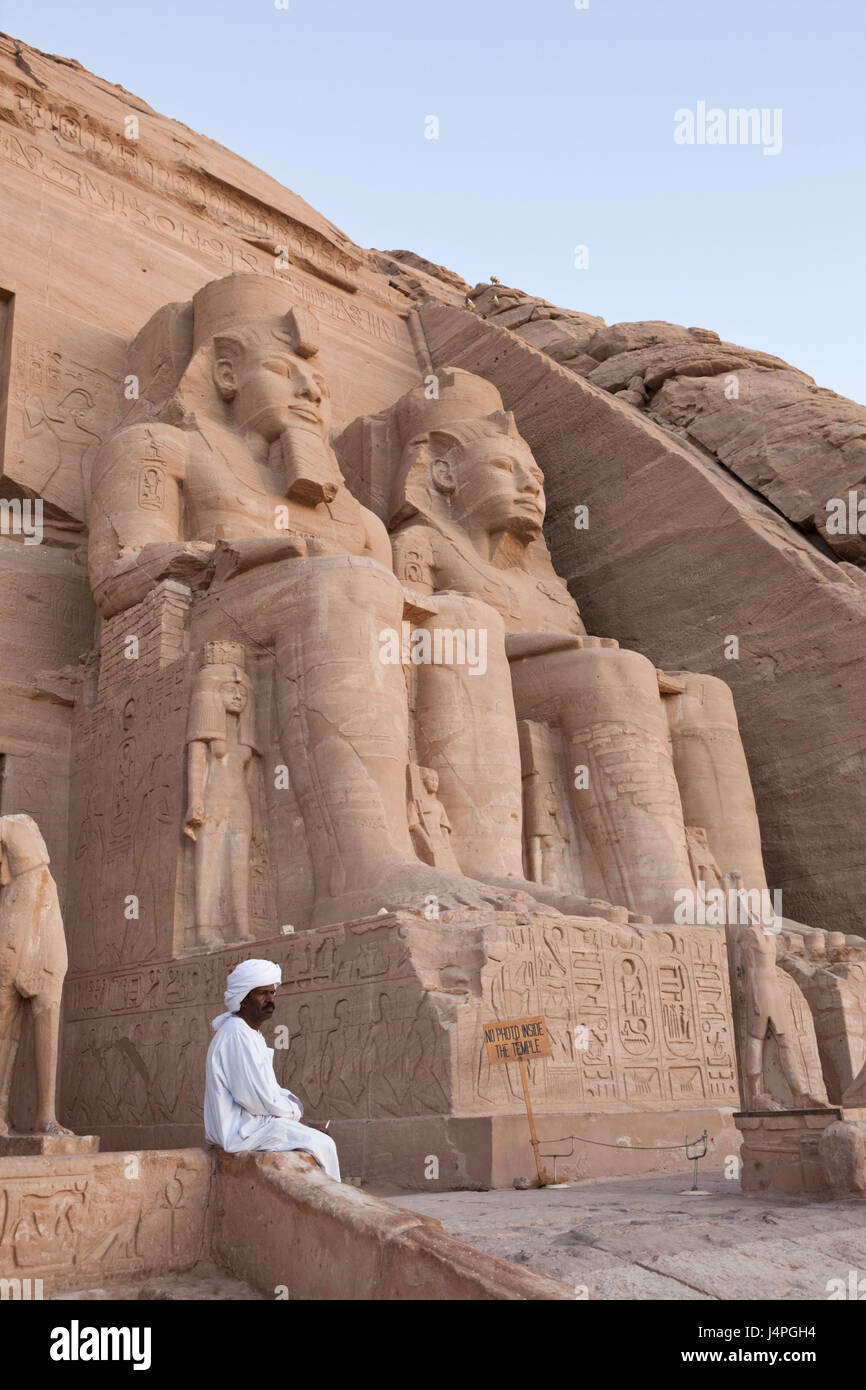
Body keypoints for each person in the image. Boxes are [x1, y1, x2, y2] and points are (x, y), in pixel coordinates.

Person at [204, 958, 340, 1180]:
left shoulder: (250, 1033)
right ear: (244, 999)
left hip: (254, 1124)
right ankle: (329, 1210)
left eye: (272, 993)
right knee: (322, 1143)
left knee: (316, 1139)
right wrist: (297, 1117)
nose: (270, 1000)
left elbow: (268, 1092)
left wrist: (297, 1118)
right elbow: (258, 1099)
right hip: (241, 1131)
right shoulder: (237, 1034)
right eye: (262, 993)